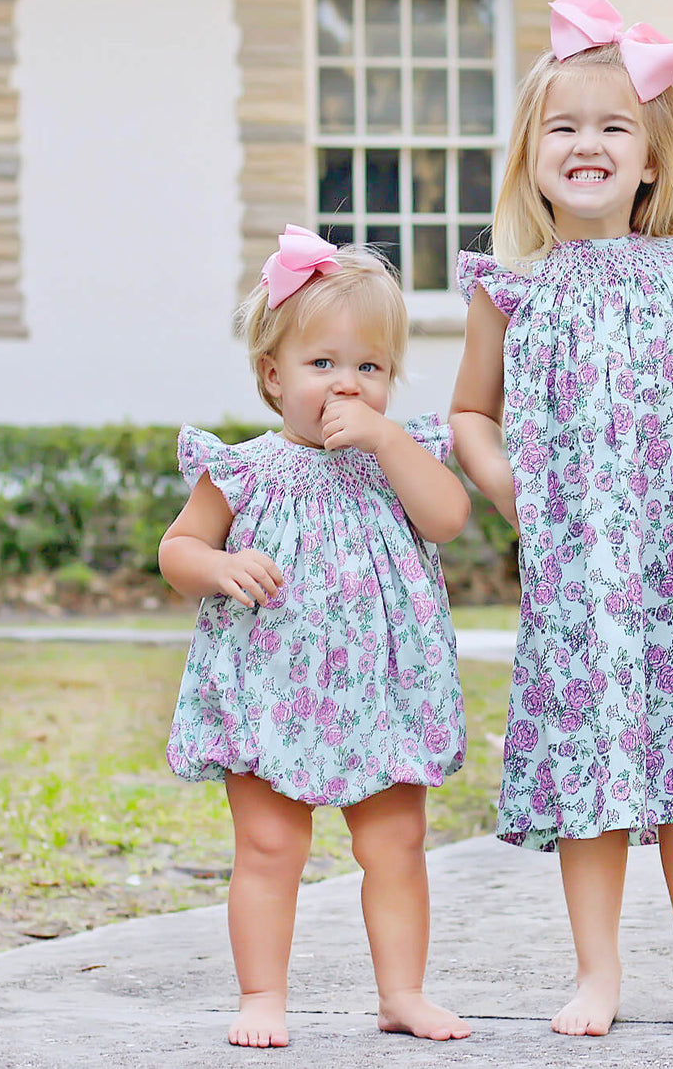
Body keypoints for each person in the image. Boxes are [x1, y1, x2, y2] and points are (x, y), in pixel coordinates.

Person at [449, 0, 673, 1039]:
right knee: (590, 779)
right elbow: (468, 410)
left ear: (649, 157)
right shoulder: (511, 288)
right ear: (529, 155)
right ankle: (596, 971)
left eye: (611, 125)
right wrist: (510, 486)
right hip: (576, 572)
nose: (585, 143)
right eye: (561, 126)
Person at [158, 228, 472, 1048]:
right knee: (269, 845)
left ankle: (402, 993)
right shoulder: (246, 468)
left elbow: (448, 518)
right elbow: (177, 550)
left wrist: (391, 440)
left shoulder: (397, 455)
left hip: (381, 686)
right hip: (271, 682)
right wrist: (220, 568)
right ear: (273, 375)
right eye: (322, 364)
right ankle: (263, 995)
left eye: (369, 367)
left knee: (396, 841)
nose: (348, 384)